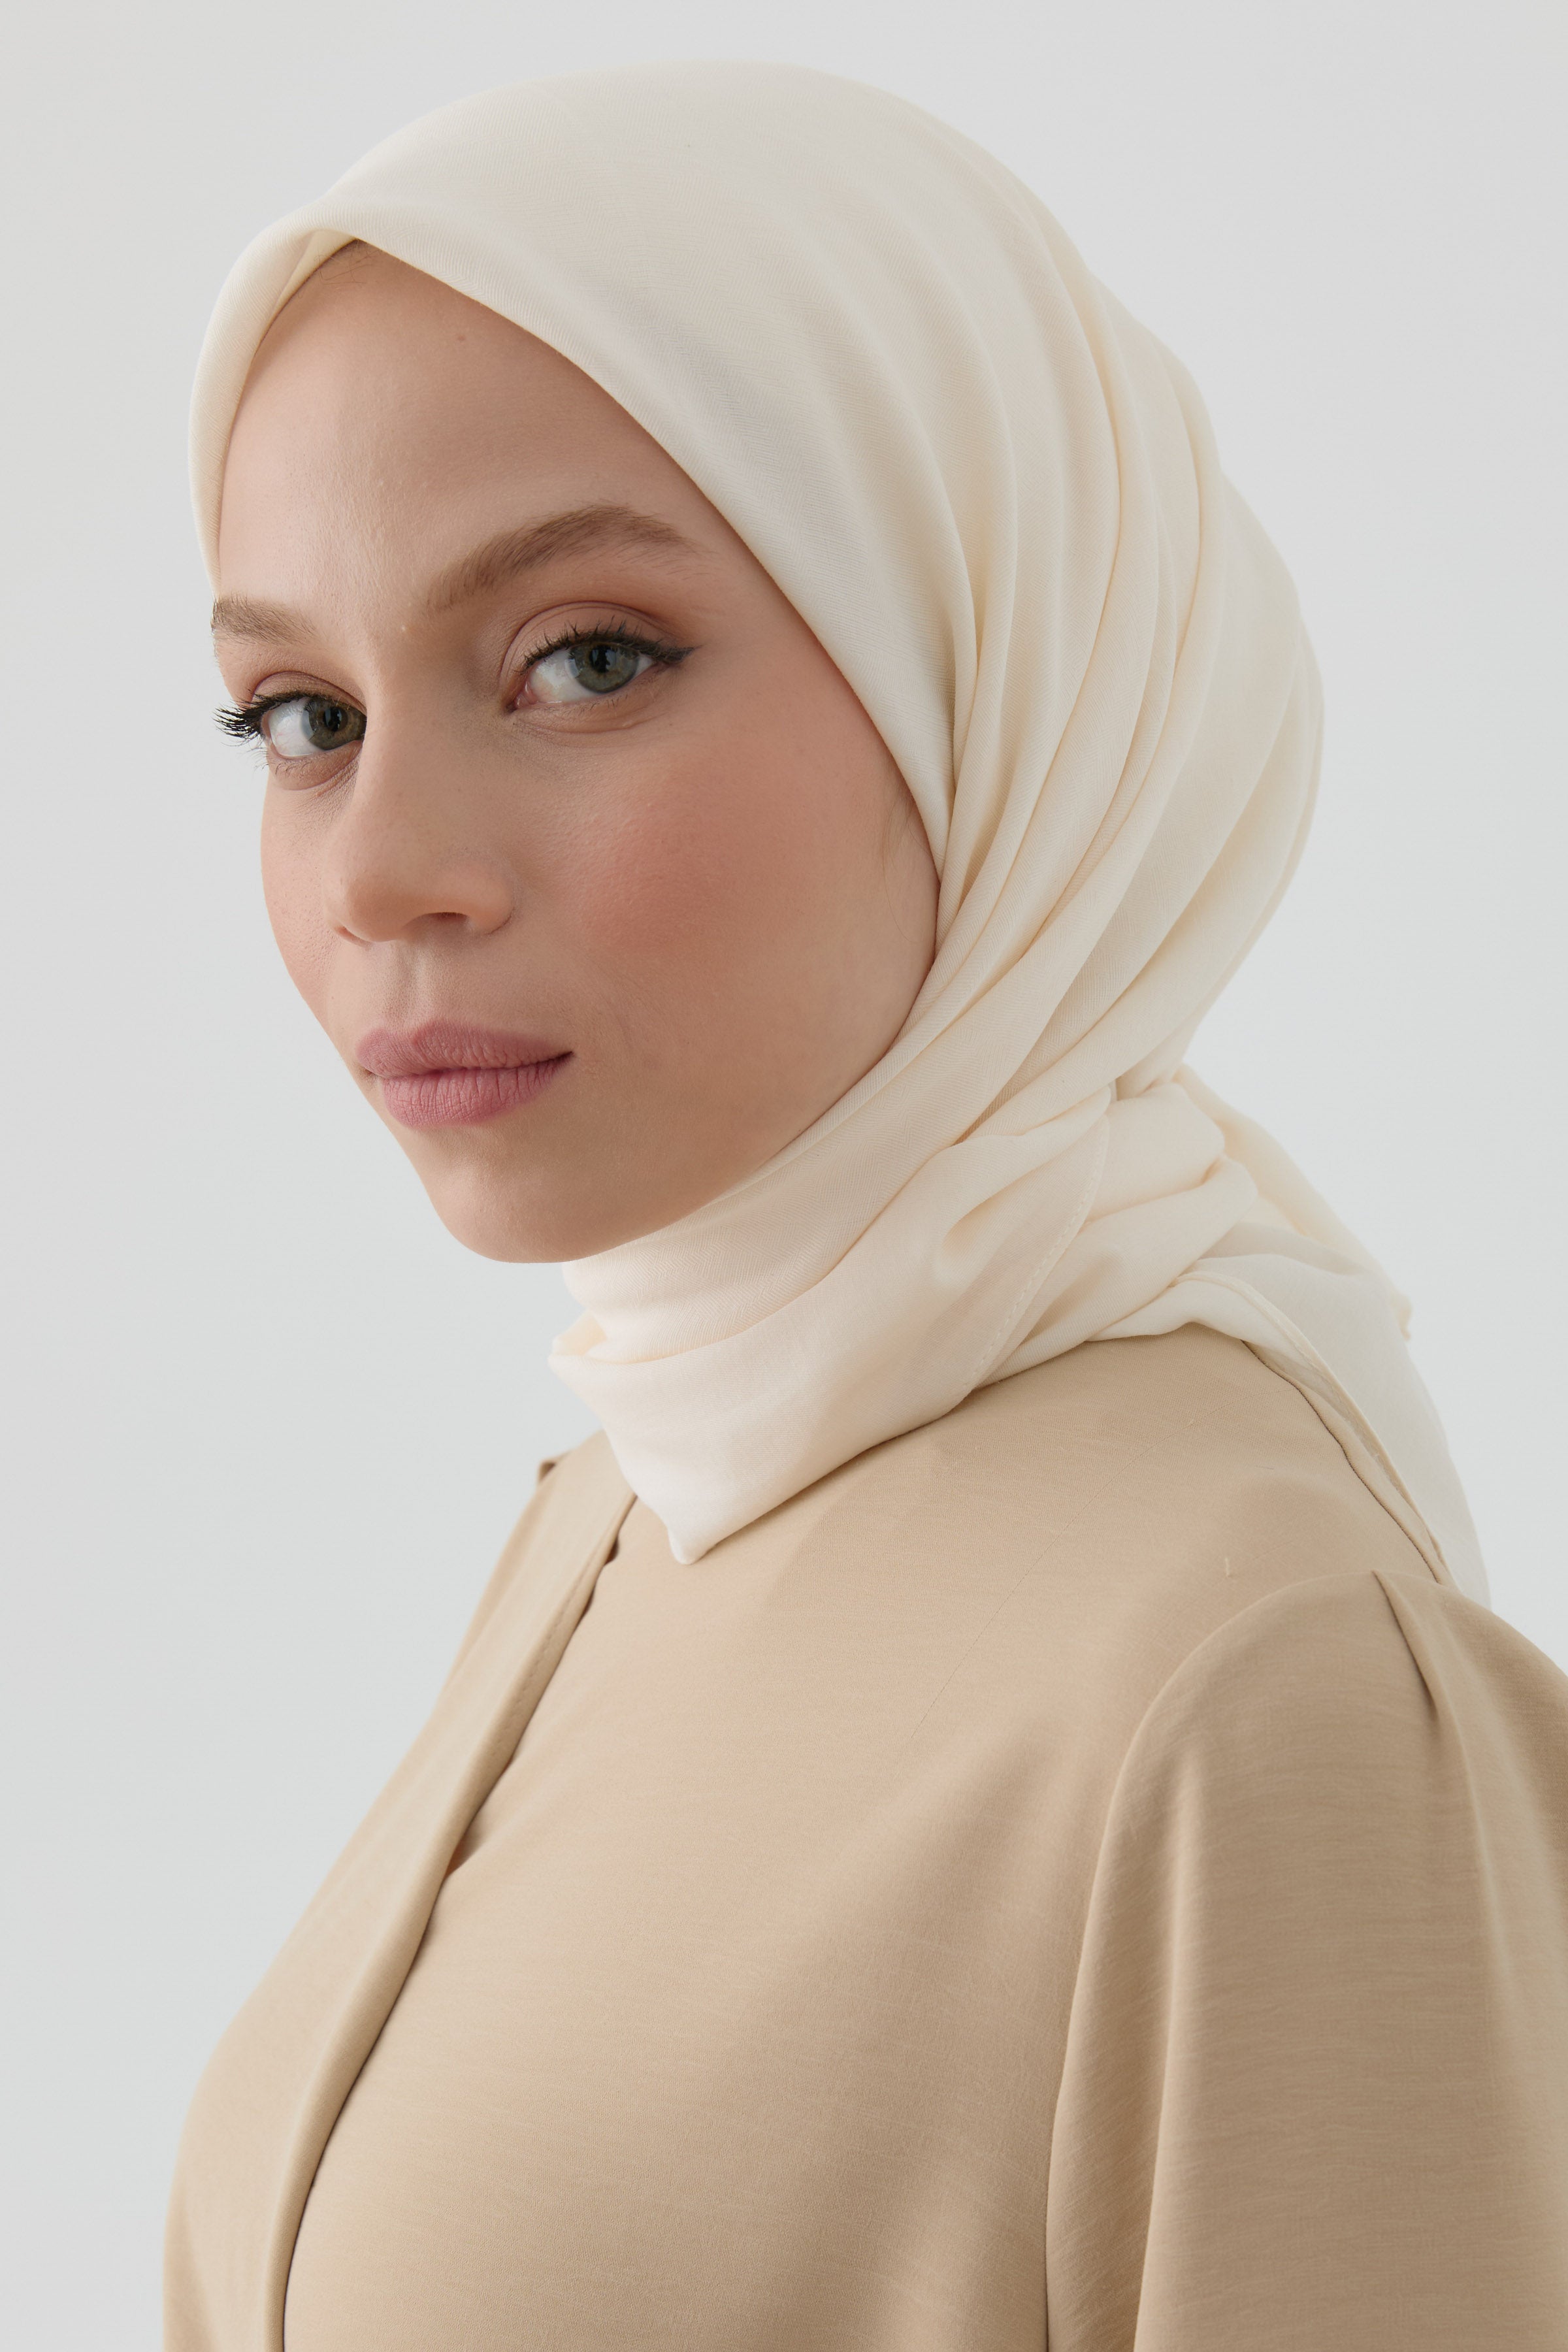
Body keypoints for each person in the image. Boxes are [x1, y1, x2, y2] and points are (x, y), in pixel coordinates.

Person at [166, 61, 1568, 2352]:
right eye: (301, 716)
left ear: (992, 673)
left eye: (586, 660)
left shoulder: (1265, 1691)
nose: (383, 869)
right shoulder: (632, 1500)